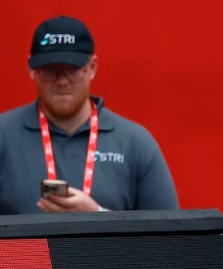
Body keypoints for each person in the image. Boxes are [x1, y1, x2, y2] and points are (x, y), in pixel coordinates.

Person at [0, 15, 179, 215]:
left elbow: (168, 239)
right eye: (50, 70)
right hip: (24, 249)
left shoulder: (135, 143)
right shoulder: (3, 136)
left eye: (73, 69)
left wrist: (99, 216)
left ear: (92, 67)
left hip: (110, 249)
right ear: (31, 70)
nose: (62, 81)